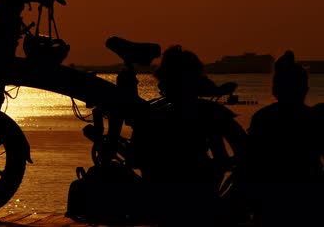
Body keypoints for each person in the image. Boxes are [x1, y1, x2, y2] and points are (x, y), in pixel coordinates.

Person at [130, 45, 247, 226]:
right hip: (200, 196)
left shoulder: (150, 112)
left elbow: (135, 159)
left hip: (161, 199)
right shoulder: (211, 112)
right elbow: (245, 151)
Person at [246, 50, 324, 226]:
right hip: (309, 198)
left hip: (271, 200)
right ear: (305, 89)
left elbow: (250, 164)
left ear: (275, 89)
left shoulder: (263, 118)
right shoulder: (315, 118)